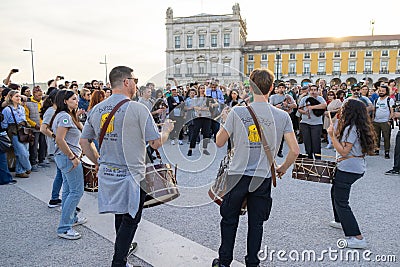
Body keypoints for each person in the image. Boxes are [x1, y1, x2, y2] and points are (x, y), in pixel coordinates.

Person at [79, 66, 173, 267]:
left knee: (120, 214)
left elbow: (84, 141)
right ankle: (118, 262)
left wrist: (97, 162)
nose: (137, 85)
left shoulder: (96, 109)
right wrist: (166, 130)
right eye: (135, 80)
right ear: (126, 82)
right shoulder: (138, 108)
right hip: (133, 175)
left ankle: (122, 251)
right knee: (131, 219)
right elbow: (155, 143)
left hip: (108, 173)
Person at [212, 68, 299, 267]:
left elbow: (219, 142)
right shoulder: (282, 116)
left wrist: (224, 121)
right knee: (256, 223)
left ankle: (224, 261)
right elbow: (294, 150)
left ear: (250, 87)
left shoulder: (238, 112)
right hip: (263, 176)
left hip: (237, 174)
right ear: (272, 88)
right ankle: (252, 261)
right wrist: (282, 168)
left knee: (229, 220)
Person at [327, 99, 376, 249]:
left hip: (348, 168)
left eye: (343, 108)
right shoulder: (357, 126)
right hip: (354, 166)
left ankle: (357, 237)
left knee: (342, 202)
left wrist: (331, 136)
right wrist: (335, 127)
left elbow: (343, 151)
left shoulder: (351, 128)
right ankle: (340, 220)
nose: (340, 110)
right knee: (335, 191)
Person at [51, 90, 87, 240]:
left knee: (68, 190)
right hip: (68, 158)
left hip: (65, 157)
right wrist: (73, 157)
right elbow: (60, 139)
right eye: (73, 99)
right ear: (65, 101)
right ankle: (64, 227)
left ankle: (71, 218)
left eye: (77, 98)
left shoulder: (65, 116)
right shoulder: (64, 116)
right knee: (76, 191)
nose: (76, 101)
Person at [40, 89, 63, 208]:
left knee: (60, 174)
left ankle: (55, 198)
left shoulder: (56, 110)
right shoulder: (51, 111)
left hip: (57, 145)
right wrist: (55, 136)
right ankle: (60, 200)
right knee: (63, 174)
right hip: (56, 146)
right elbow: (43, 128)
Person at [1, 90, 32, 178]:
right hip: (14, 131)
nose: (19, 98)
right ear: (11, 98)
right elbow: (4, 123)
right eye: (16, 96)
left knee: (25, 151)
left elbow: (24, 119)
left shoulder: (21, 108)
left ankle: (20, 171)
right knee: (22, 153)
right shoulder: (7, 109)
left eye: (19, 96)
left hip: (24, 131)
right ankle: (28, 167)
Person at [297, 84, 327, 159]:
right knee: (307, 142)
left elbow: (324, 105)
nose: (313, 92)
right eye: (311, 90)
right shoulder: (304, 99)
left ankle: (317, 160)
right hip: (305, 123)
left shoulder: (320, 98)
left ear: (317, 91)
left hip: (316, 124)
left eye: (315, 90)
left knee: (316, 142)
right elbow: (299, 109)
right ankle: (309, 158)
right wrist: (304, 112)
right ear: (309, 91)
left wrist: (312, 107)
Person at [187, 84, 212, 156]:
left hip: (207, 117)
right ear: (198, 89)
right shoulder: (195, 98)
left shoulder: (207, 98)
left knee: (206, 134)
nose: (202, 89)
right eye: (201, 88)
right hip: (198, 118)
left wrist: (200, 108)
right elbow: (194, 107)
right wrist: (201, 108)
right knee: (195, 133)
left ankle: (204, 149)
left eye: (203, 88)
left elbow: (208, 108)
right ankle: (190, 148)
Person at [372, 85, 394, 158]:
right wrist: (373, 119)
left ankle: (386, 152)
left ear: (386, 92)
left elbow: (392, 111)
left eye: (383, 91)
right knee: (376, 137)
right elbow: (374, 110)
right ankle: (376, 150)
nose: (381, 92)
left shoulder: (389, 100)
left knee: (386, 137)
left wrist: (389, 120)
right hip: (376, 121)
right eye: (380, 91)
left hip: (385, 122)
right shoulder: (376, 100)